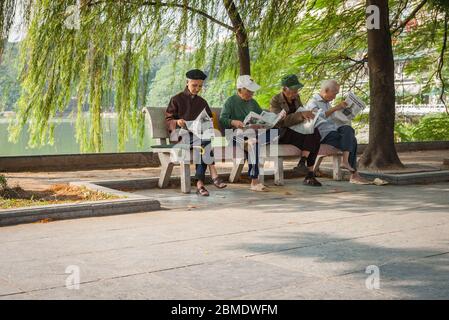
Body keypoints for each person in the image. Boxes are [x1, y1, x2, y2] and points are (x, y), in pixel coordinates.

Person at [165, 69, 227, 196]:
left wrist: (208, 122)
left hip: (199, 137)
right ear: (187, 82)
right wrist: (177, 122)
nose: (197, 88)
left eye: (200, 86)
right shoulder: (176, 99)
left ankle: (200, 184)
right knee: (205, 143)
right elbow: (168, 120)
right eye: (194, 85)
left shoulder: (202, 102)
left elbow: (209, 120)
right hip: (182, 136)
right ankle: (213, 174)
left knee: (204, 143)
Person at [220, 75, 284, 192]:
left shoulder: (253, 102)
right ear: (240, 89)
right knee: (253, 143)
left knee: (275, 132)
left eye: (252, 91)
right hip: (234, 136)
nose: (252, 93)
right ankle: (254, 181)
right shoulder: (231, 101)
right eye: (249, 91)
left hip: (252, 134)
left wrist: (274, 119)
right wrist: (233, 122)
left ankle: (250, 142)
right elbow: (222, 120)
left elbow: (262, 117)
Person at [305, 80, 371, 184]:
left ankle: (346, 163)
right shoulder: (312, 102)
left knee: (348, 129)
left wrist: (345, 115)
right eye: (334, 93)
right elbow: (317, 116)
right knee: (352, 140)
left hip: (333, 130)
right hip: (323, 134)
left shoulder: (327, 104)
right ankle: (353, 174)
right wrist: (336, 108)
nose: (335, 96)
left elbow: (333, 119)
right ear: (326, 90)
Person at [270, 74, 322, 186]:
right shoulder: (275, 100)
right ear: (284, 89)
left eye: (297, 90)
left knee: (314, 132)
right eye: (293, 91)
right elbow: (279, 122)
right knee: (313, 136)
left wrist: (308, 116)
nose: (296, 93)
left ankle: (303, 164)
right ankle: (309, 173)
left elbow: (301, 111)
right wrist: (301, 115)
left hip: (297, 131)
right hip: (282, 133)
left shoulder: (296, 98)